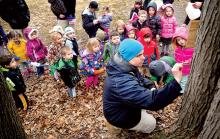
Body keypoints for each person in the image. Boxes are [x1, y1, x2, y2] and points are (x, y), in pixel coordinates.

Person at [103, 39, 183, 133]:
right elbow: (153, 102)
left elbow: (139, 78)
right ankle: (116, 126)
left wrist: (151, 86)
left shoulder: (123, 66)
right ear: (128, 57)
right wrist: (176, 81)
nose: (144, 58)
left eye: (142, 53)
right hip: (119, 117)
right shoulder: (121, 83)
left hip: (125, 107)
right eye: (139, 55)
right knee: (151, 124)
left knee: (144, 108)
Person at [172, 26, 194, 93]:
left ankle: (182, 92)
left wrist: (189, 61)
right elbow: (176, 58)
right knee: (180, 80)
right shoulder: (177, 49)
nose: (180, 41)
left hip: (187, 70)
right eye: (178, 40)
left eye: (182, 39)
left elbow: (194, 57)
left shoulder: (191, 48)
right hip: (180, 69)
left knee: (184, 81)